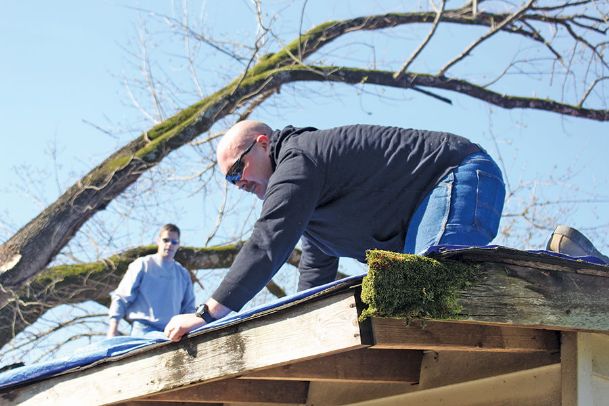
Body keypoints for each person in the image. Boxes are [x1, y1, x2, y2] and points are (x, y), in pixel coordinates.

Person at [164, 121, 505, 341]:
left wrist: (206, 313)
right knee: (405, 307)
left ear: (264, 144)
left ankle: (551, 275)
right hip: (427, 209)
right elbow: (313, 288)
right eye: (229, 179)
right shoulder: (314, 219)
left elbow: (268, 242)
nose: (238, 183)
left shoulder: (299, 159)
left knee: (426, 290)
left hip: (457, 174)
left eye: (237, 169)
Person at [108, 224, 196, 338]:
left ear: (178, 244)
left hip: (171, 332)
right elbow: (122, 296)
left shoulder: (183, 274)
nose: (169, 244)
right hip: (143, 330)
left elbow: (189, 308)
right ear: (158, 241)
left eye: (174, 242)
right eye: (166, 240)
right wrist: (113, 327)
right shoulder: (142, 264)